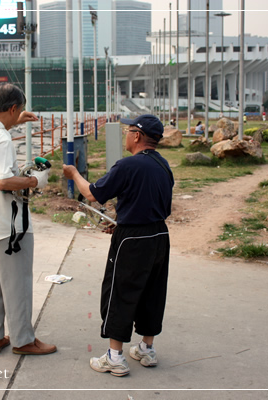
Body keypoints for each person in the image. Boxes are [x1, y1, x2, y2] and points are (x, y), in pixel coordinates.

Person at [63, 114, 173, 377]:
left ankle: (114, 356)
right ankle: (147, 349)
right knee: (152, 292)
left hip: (132, 239)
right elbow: (147, 201)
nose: (125, 134)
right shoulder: (164, 165)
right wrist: (122, 220)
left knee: (119, 292)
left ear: (137, 135)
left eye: (128, 130)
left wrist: (74, 173)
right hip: (159, 235)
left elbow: (93, 193)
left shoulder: (128, 165)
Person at [0, 83, 57, 356]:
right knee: (18, 286)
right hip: (9, 228)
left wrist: (14, 123)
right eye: (18, 111)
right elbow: (2, 180)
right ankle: (23, 340)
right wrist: (33, 180)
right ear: (13, 108)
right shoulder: (2, 139)